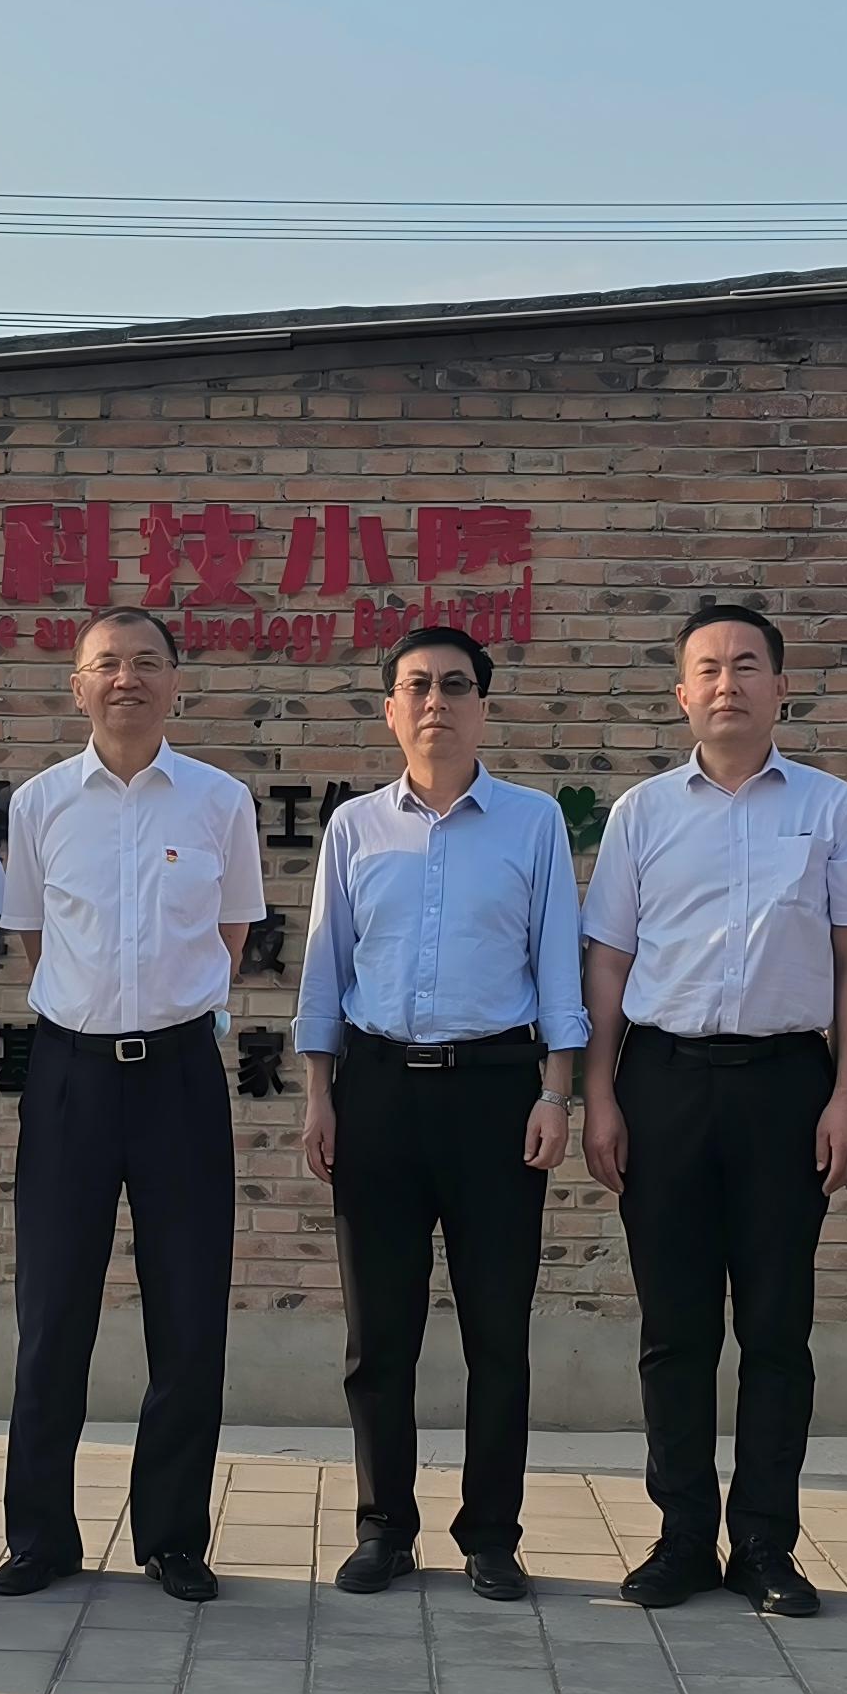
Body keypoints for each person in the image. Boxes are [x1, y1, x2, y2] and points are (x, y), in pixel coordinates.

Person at [578, 602, 847, 1618]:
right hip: (663, 1080)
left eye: (747, 664)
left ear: (780, 687)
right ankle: (679, 1534)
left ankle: (763, 1541)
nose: (727, 682)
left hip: (786, 1084)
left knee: (776, 1327)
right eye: (707, 667)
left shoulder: (830, 807)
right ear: (681, 693)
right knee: (674, 1327)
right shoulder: (642, 813)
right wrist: (599, 1094)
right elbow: (608, 963)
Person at [295, 624, 585, 1604]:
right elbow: (326, 968)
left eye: (455, 685)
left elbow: (557, 965)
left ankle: (491, 1533)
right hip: (377, 1090)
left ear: (483, 706)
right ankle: (384, 1526)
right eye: (415, 685)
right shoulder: (353, 827)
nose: (435, 702)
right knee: (379, 1334)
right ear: (390, 709)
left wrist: (555, 1090)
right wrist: (320, 1095)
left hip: (496, 1093)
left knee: (497, 1332)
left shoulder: (532, 823)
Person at [0, 609, 267, 1604]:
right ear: (77, 684)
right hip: (70, 1072)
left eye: (147, 662)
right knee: (51, 1311)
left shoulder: (220, 801)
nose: (126, 679)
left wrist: (161, 1010)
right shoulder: (39, 803)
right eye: (106, 663)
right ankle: (39, 1534)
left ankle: (173, 1535)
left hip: (179, 1075)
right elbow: (35, 938)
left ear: (176, 682)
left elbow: (231, 933)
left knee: (187, 1311)